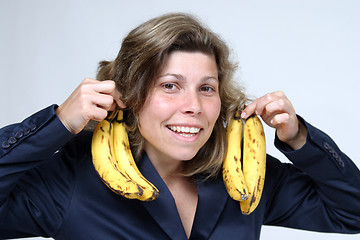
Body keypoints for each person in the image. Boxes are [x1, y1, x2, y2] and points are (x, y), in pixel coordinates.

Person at [0, 13, 359, 240]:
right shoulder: (68, 182)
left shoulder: (249, 178)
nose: (193, 106)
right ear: (129, 95)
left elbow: (351, 214)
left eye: (207, 88)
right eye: (170, 85)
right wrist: (57, 124)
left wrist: (299, 139)